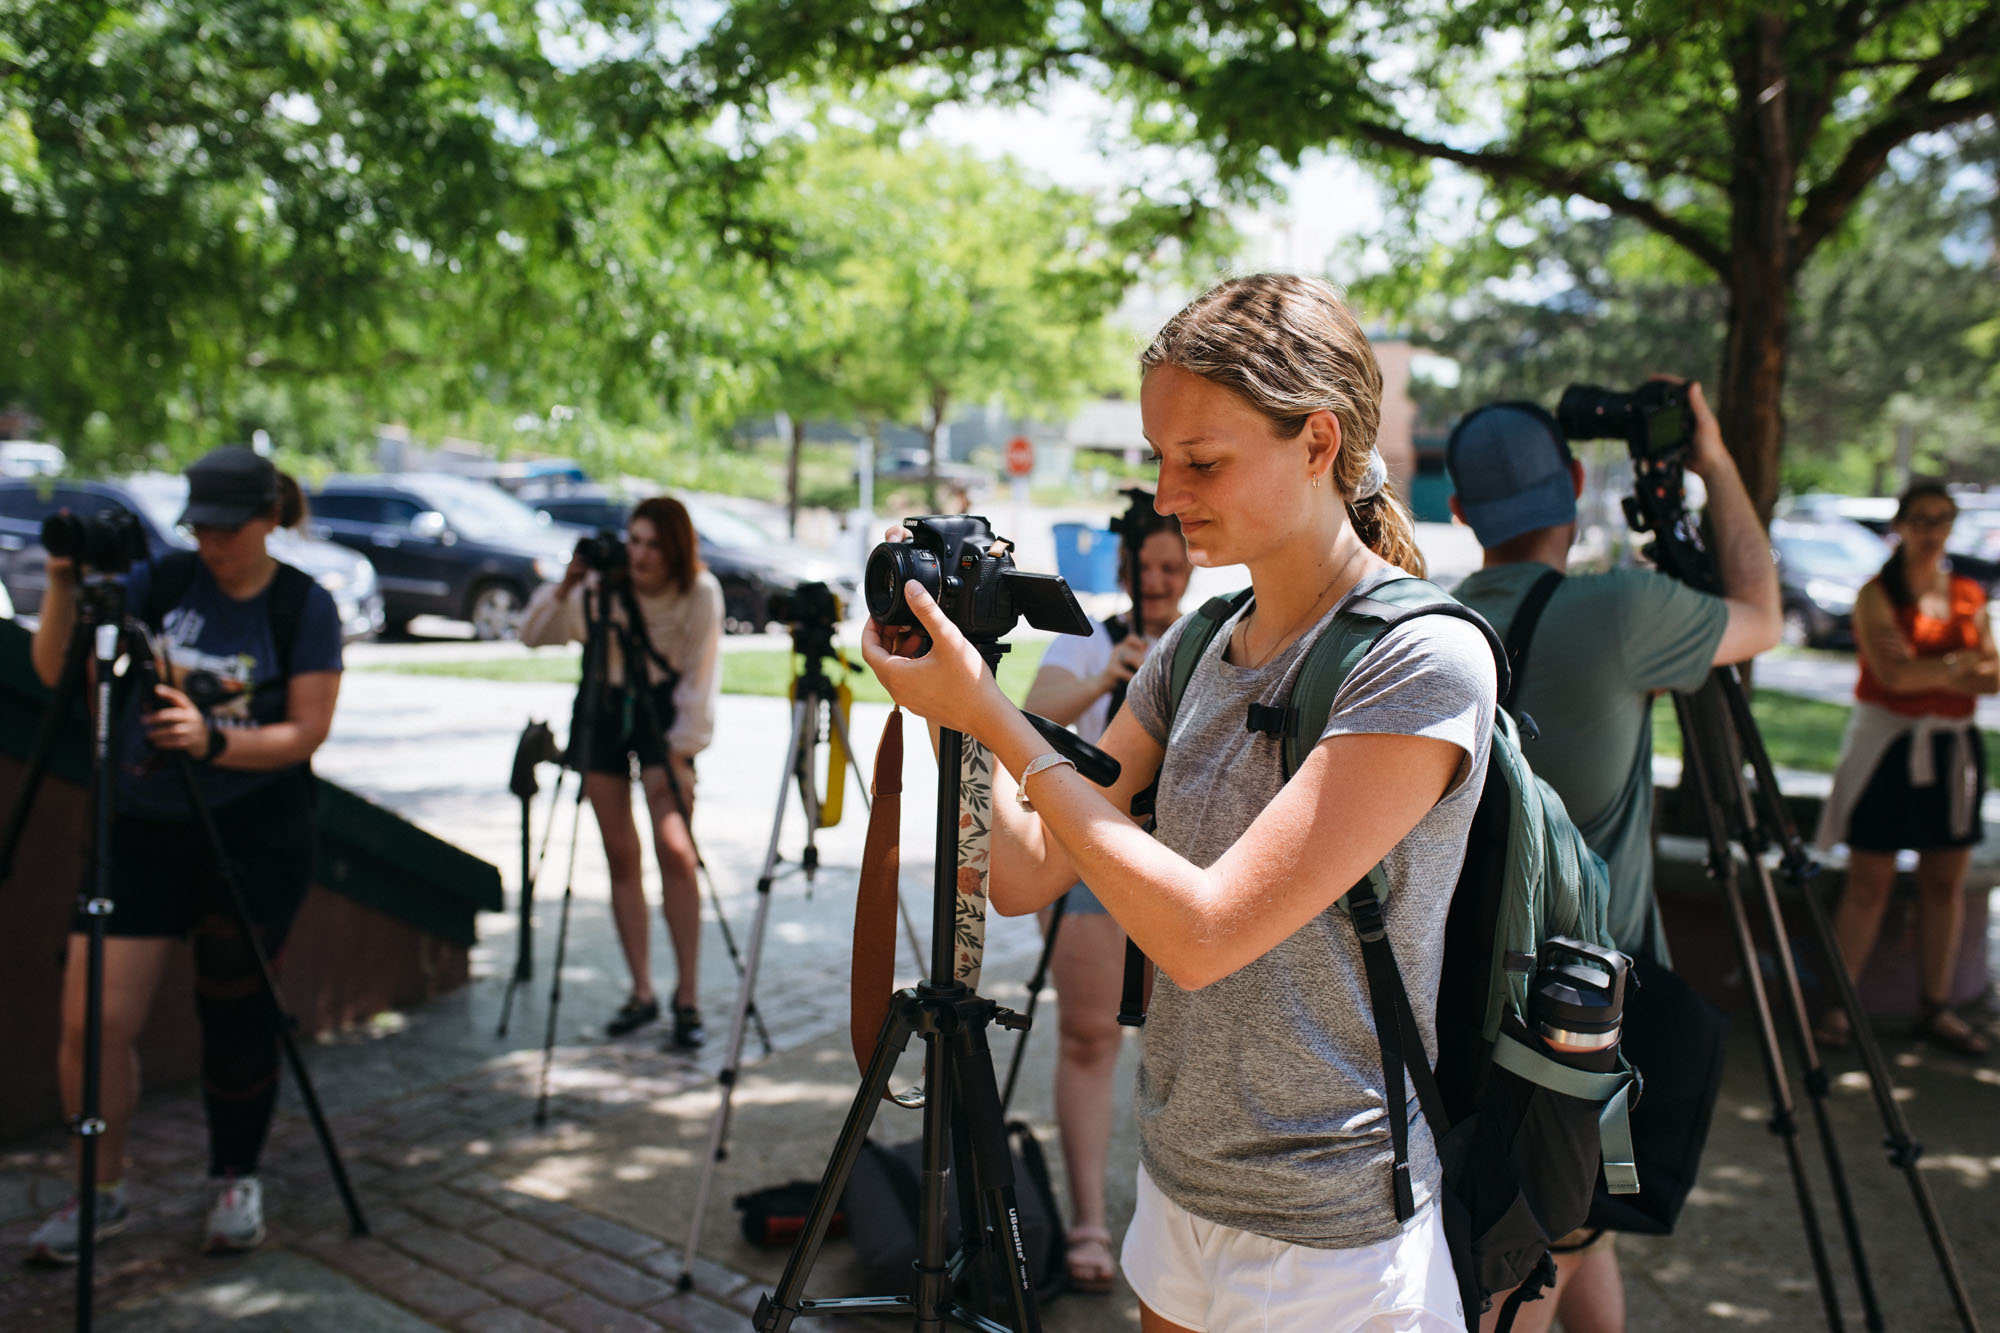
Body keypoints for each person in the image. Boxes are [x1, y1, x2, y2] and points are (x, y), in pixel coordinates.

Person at [864, 273, 1494, 1331]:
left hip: (1329, 1223)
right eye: (1158, 456)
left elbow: (1203, 934)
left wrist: (995, 717)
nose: (1164, 493)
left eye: (1199, 461)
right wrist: (949, 699)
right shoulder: (1198, 646)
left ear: (1315, 443)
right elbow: (1024, 874)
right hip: (1180, 1179)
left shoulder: (1419, 662)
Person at [1444, 395, 1781, 1333]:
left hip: (1468, 996)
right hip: (1592, 1014)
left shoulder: (1429, 626)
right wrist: (1715, 461)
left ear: (1465, 514)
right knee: (1529, 1261)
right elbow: (1763, 613)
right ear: (1579, 485)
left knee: (1574, 1232)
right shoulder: (1622, 611)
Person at [27, 446, 345, 1263]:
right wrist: (65, 580)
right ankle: (99, 1188)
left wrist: (212, 741)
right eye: (199, 526)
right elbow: (57, 668)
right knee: (90, 1015)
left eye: (228, 528)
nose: (211, 543)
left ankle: (234, 1175)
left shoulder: (301, 606)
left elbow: (307, 730)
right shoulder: (163, 583)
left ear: (270, 519)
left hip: (250, 835)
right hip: (141, 821)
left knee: (236, 1013)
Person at [1020, 501, 1192, 1294]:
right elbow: (1028, 716)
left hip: (1181, 865)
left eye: (1171, 569)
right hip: (1087, 863)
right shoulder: (1091, 635)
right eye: (1145, 569)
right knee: (1089, 1036)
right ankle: (1089, 1217)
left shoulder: (1210, 638)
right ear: (1124, 569)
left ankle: (1172, 1214)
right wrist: (1109, 677)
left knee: (1185, 1046)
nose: (1157, 583)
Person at [519, 495, 723, 1049]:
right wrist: (566, 585)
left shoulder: (699, 593)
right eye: (634, 541)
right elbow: (532, 634)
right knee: (620, 853)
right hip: (604, 715)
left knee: (676, 850)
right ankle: (641, 991)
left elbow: (699, 684)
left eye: (655, 544)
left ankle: (687, 996)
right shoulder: (600, 588)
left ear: (676, 549)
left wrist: (681, 754)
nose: (641, 555)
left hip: (664, 719)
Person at [1815, 483, 1997, 1058]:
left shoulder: (1966, 593)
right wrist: (1959, 664)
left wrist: (1934, 669)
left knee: (1945, 882)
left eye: (1941, 519)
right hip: (1888, 752)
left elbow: (1992, 677)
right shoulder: (1876, 594)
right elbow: (1894, 681)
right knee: (1870, 881)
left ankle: (1935, 1007)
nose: (1931, 530)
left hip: (1951, 750)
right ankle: (1839, 1006)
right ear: (1900, 525)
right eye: (1920, 519)